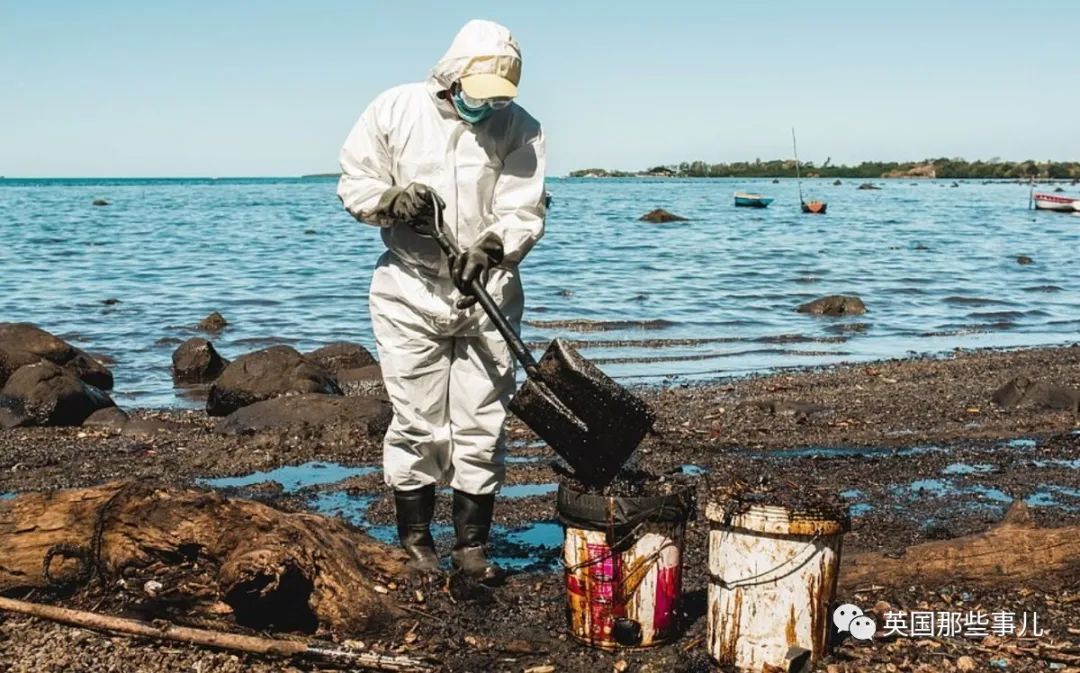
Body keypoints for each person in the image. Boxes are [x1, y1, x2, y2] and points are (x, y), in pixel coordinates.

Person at [336, 19, 545, 581]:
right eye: (480, 97)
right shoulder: (395, 110)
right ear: (451, 76)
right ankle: (416, 540)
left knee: (484, 418)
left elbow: (524, 207)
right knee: (416, 418)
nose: (488, 108)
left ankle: (472, 546)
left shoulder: (520, 128)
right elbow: (353, 183)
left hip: (489, 288)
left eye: (498, 100)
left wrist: (496, 244)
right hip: (410, 287)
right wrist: (392, 201)